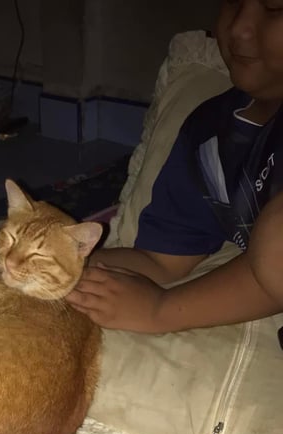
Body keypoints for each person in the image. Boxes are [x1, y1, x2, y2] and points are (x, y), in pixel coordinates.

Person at [67, 0, 283, 333]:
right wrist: (63, 263)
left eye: (275, 8)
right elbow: (162, 261)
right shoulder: (208, 131)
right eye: (234, 2)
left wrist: (160, 310)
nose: (239, 28)